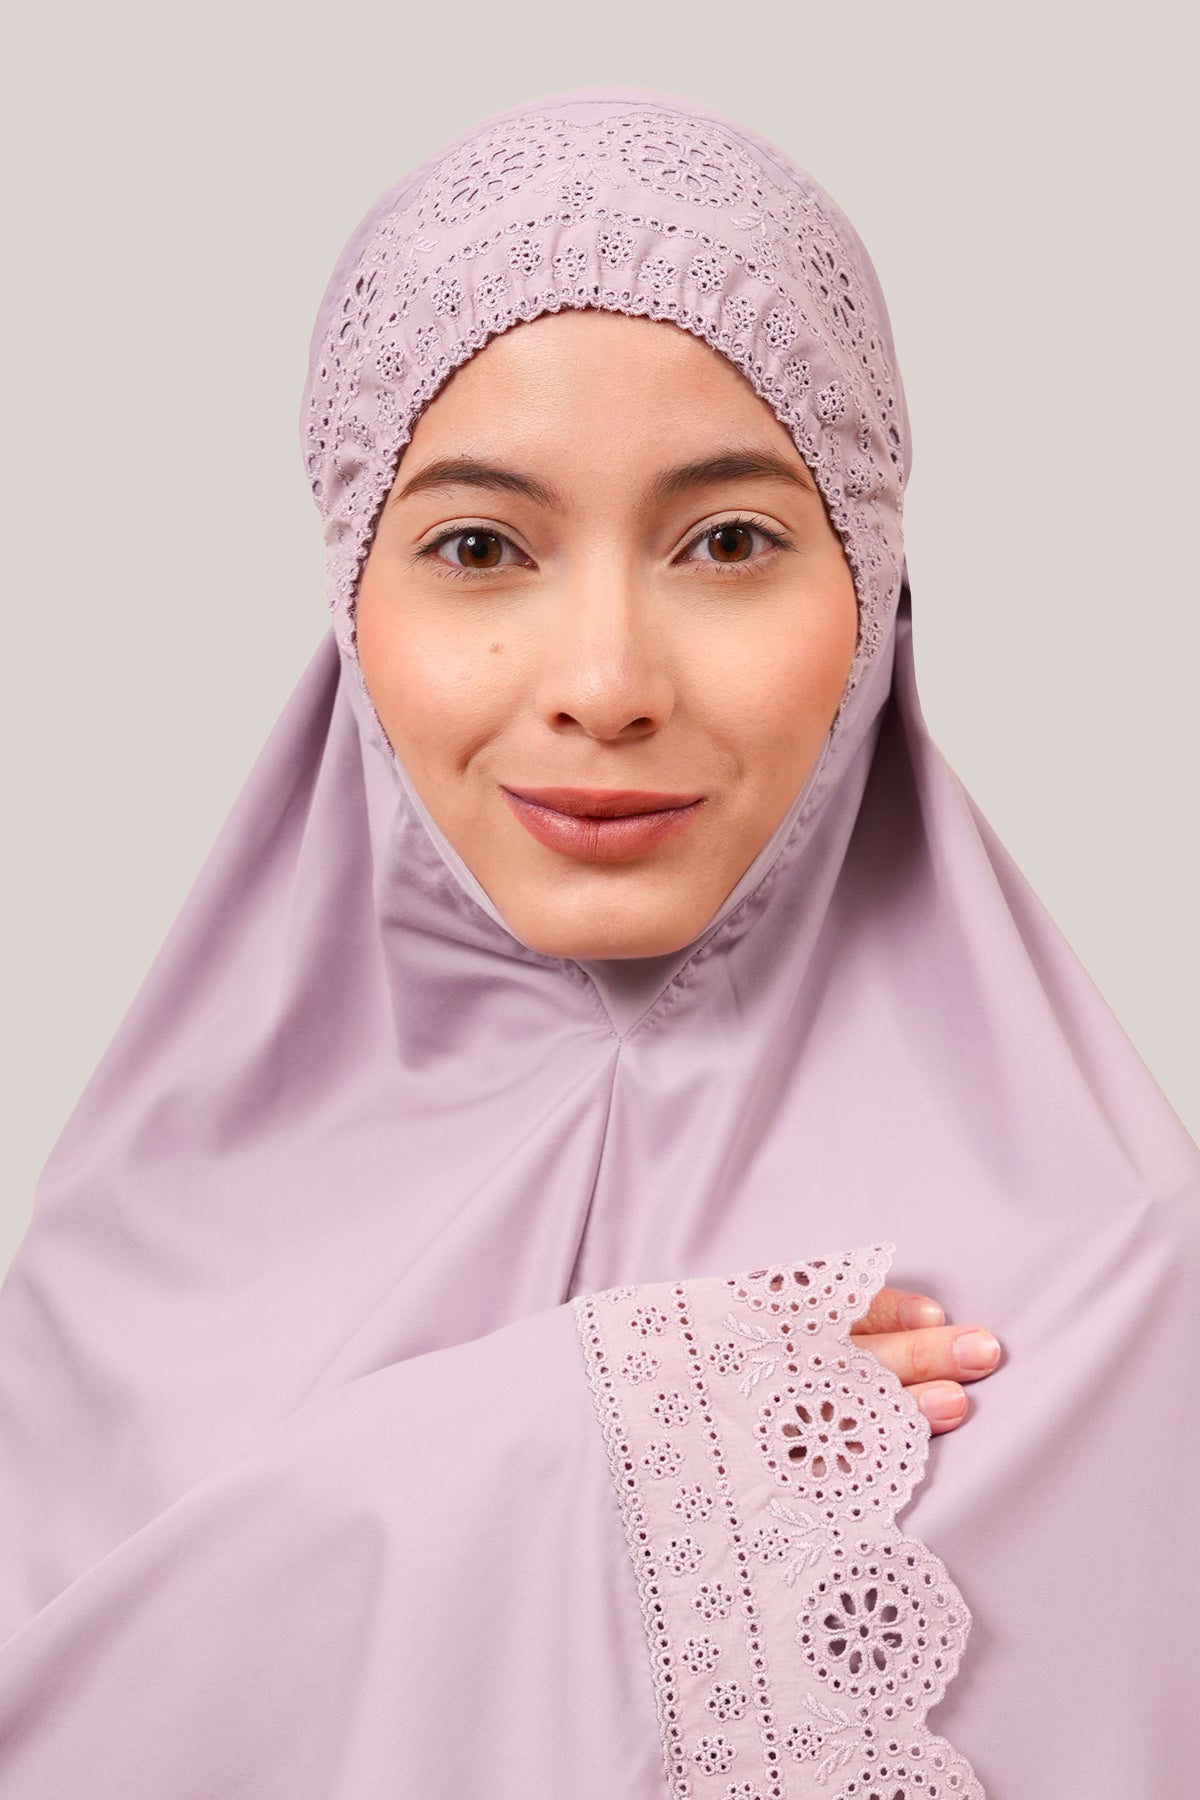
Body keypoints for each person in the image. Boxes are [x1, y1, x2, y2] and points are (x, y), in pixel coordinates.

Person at [0, 86, 1195, 1798]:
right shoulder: (139, 1248)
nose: (608, 683)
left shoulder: (1123, 1292)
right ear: (351, 595)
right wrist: (568, 1456)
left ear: (872, 586)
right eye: (479, 546)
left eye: (731, 541)